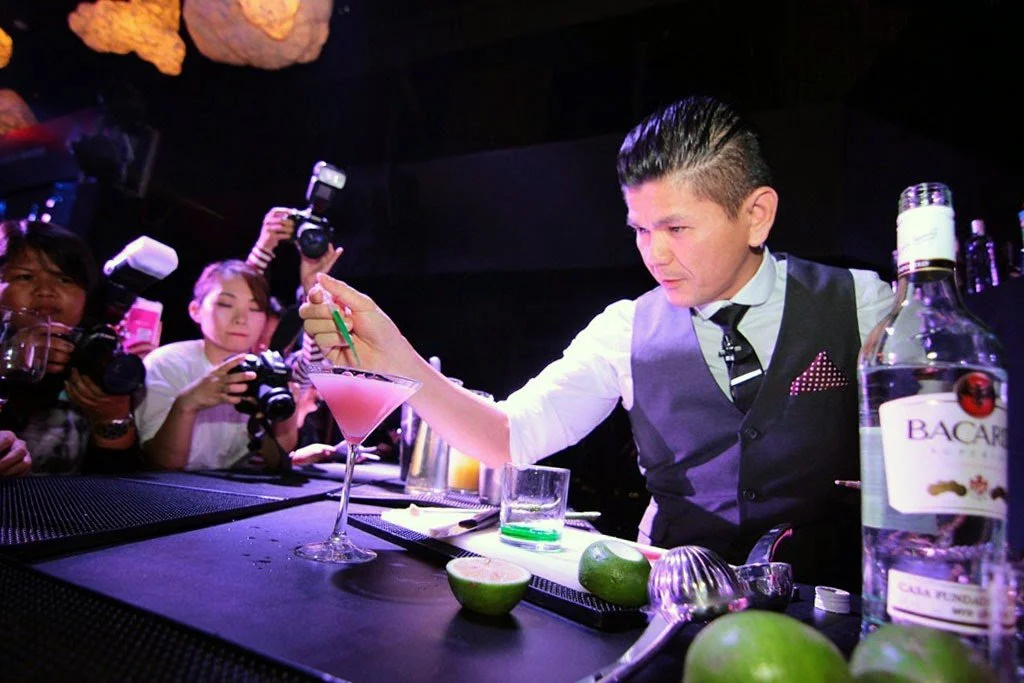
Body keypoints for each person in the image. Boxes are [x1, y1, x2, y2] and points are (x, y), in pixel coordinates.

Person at [299, 95, 895, 589]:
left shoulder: (862, 304)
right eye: (641, 229)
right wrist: (396, 358)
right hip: (669, 599)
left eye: (677, 227)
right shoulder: (624, 329)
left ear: (756, 214)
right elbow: (508, 437)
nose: (655, 254)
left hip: (830, 604)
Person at [0, 219, 141, 475]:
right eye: (25, 277)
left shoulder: (95, 355)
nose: (46, 291)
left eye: (65, 280)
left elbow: (116, 483)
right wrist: (9, 362)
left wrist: (112, 415)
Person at [134, 259, 299, 470]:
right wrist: (187, 404)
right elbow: (162, 464)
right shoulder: (166, 363)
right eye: (225, 304)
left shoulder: (263, 371)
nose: (241, 319)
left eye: (255, 308)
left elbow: (277, 461)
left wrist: (285, 413)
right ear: (196, 310)